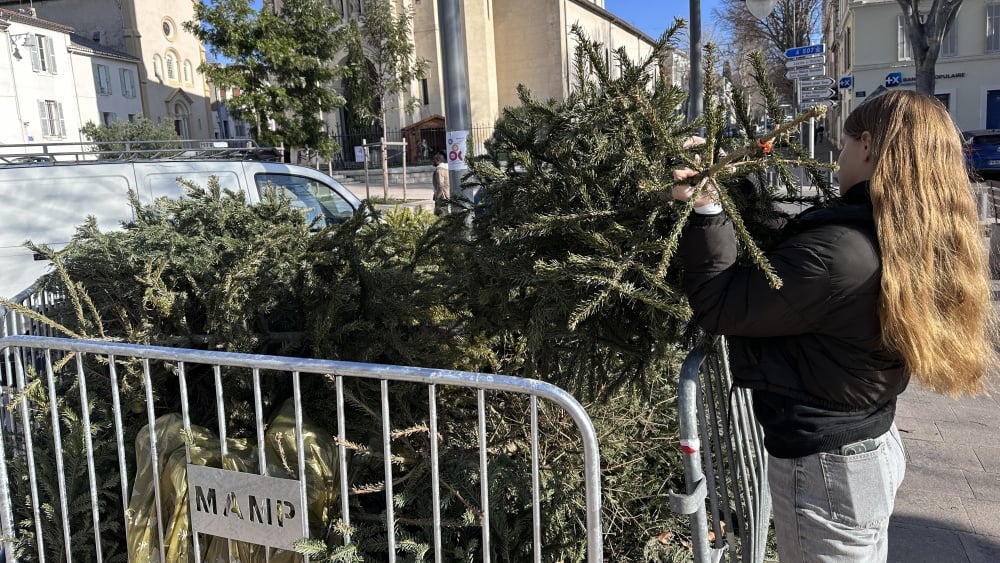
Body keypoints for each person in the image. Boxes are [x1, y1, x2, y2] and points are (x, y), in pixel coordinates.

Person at [671, 90, 994, 562]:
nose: (838, 159)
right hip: (866, 447)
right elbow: (789, 280)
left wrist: (706, 210)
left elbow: (722, 304)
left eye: (843, 145)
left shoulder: (841, 253)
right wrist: (736, 191)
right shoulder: (903, 234)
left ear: (868, 145)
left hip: (828, 471)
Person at [432, 151, 450, 216]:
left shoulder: (439, 170)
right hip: (445, 195)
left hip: (442, 197)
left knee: (441, 215)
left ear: (438, 160)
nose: (432, 161)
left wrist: (437, 197)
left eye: (433, 159)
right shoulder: (446, 169)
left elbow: (440, 185)